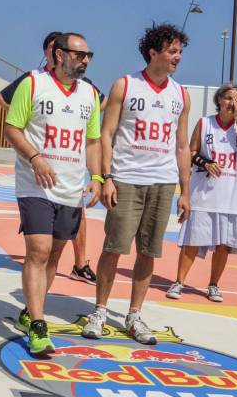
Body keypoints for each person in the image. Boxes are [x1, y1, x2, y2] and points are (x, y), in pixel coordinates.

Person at [82, 23, 191, 345]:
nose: (178, 58)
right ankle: (100, 311)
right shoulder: (125, 86)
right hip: (127, 179)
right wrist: (106, 177)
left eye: (180, 52)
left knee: (149, 252)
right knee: (114, 247)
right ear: (153, 52)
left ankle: (134, 314)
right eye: (172, 51)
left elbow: (182, 145)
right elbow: (107, 133)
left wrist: (185, 192)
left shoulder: (180, 94)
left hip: (163, 182)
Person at [4, 32, 102, 355]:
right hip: (36, 184)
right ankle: (38, 325)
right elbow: (12, 128)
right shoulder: (32, 83)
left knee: (56, 255)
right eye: (79, 54)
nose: (85, 60)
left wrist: (98, 176)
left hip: (71, 188)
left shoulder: (90, 95)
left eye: (88, 55)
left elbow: (92, 141)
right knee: (39, 249)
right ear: (59, 55)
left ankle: (31, 309)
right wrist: (35, 158)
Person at [166, 84, 237, 303]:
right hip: (204, 192)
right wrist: (205, 163)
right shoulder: (205, 123)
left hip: (232, 195)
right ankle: (179, 281)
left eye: (236, 99)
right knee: (192, 240)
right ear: (219, 100)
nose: (231, 103)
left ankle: (213, 284)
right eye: (227, 98)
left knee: (223, 244)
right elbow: (192, 150)